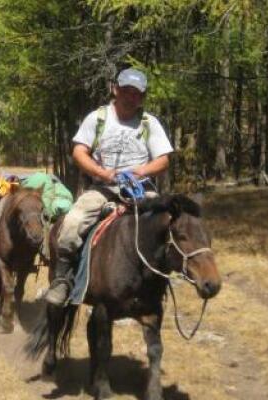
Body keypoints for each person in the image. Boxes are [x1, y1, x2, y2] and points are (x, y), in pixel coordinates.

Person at [44, 68, 174, 306]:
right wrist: (101, 172)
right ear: (115, 90)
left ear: (142, 97)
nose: (130, 97)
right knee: (73, 223)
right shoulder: (98, 118)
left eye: (136, 94)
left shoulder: (148, 122)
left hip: (141, 188)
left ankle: (162, 277)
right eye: (126, 91)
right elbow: (79, 152)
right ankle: (62, 279)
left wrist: (141, 171)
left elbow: (163, 159)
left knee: (167, 223)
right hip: (103, 187)